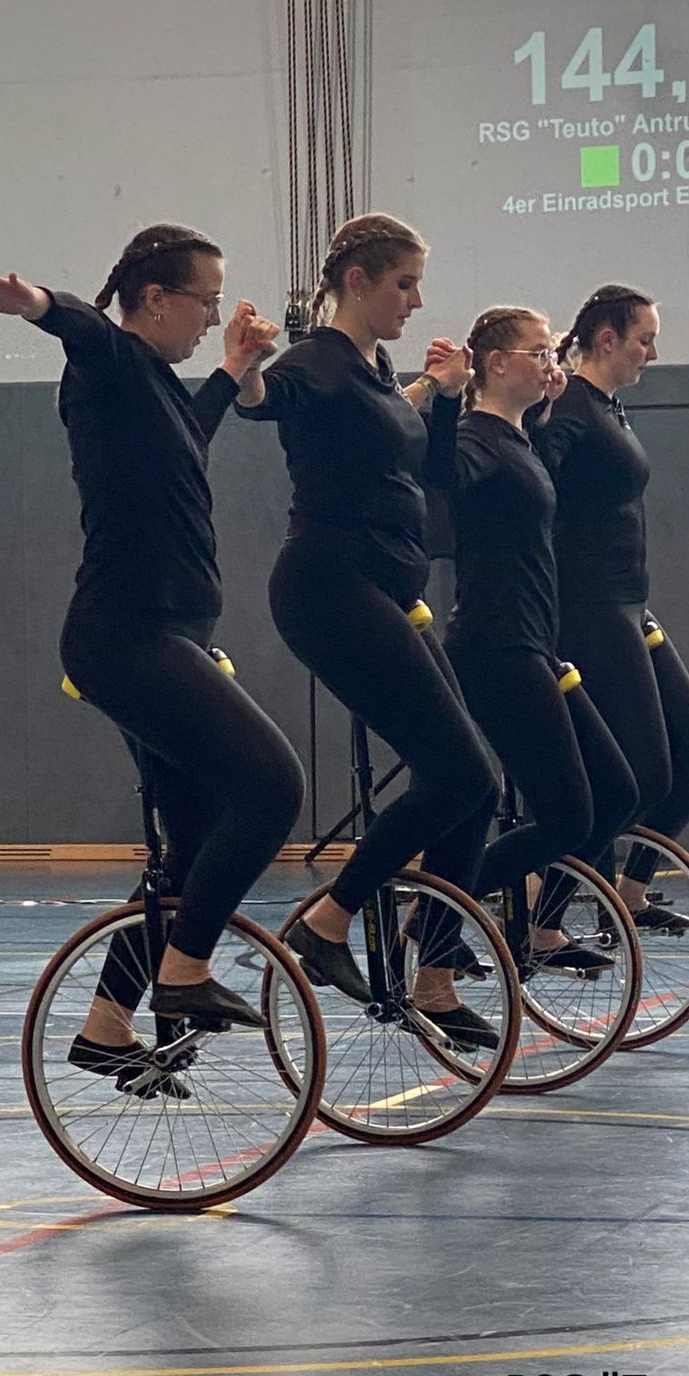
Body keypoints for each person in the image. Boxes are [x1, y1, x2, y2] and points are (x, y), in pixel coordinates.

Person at [0, 224, 303, 1085]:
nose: (212, 317)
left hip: (167, 635)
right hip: (127, 636)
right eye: (205, 303)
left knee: (195, 846)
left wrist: (230, 369)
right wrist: (34, 303)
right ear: (155, 299)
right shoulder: (109, 364)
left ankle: (107, 1026)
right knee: (272, 786)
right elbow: (82, 325)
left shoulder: (151, 388)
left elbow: (187, 438)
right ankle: (184, 970)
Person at [236, 212, 500, 1050]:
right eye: (404, 284)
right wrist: (244, 369)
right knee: (457, 771)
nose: (415, 302)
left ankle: (435, 975)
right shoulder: (316, 362)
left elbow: (433, 470)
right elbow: (263, 402)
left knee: (480, 784)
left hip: (381, 588)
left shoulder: (377, 371)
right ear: (358, 281)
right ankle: (329, 920)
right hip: (329, 588)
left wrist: (447, 397)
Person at [423, 307, 638, 970]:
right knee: (568, 815)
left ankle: (491, 919)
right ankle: (438, 913)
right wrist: (442, 401)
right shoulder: (473, 438)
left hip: (536, 643)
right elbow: (441, 479)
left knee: (617, 791)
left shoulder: (517, 439)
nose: (552, 365)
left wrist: (542, 419)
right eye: (539, 353)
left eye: (551, 353)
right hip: (495, 645)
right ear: (496, 363)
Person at [532, 286, 689, 930]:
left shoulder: (608, 408)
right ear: (607, 340)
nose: (653, 353)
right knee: (638, 773)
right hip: (587, 609)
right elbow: (532, 481)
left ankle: (631, 892)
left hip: (629, 605)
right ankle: (542, 913)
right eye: (645, 340)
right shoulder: (569, 408)